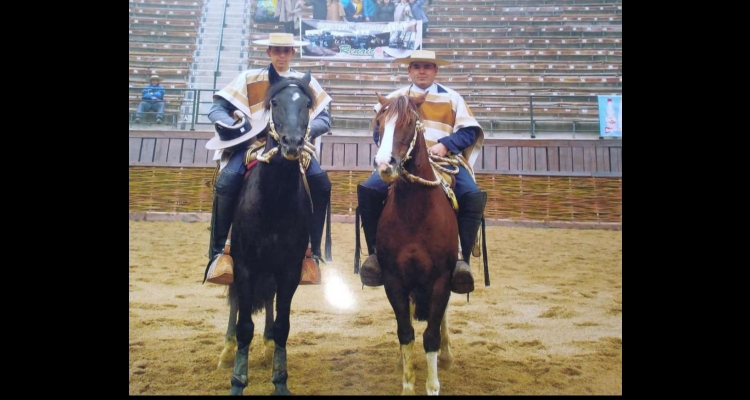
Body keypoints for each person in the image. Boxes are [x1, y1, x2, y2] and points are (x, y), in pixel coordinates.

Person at [205, 33, 333, 284]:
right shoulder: (248, 78)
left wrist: (304, 132)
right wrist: (232, 125)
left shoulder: (305, 81)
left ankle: (311, 253)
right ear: (269, 52)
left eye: (286, 50)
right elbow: (217, 108)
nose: (282, 55)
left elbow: (324, 118)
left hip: (294, 146)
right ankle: (220, 253)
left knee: (321, 183)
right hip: (251, 146)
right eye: (277, 50)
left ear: (293, 53)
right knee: (226, 182)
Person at [357, 50, 487, 294]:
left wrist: (446, 144)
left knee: (472, 195)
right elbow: (379, 130)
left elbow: (470, 131)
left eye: (428, 66)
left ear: (436, 70)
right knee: (369, 191)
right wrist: (394, 151)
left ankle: (462, 260)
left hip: (446, 162)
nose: (422, 71)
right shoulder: (395, 97)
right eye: (417, 66)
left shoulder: (452, 98)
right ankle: (375, 254)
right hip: (402, 163)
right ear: (409, 70)